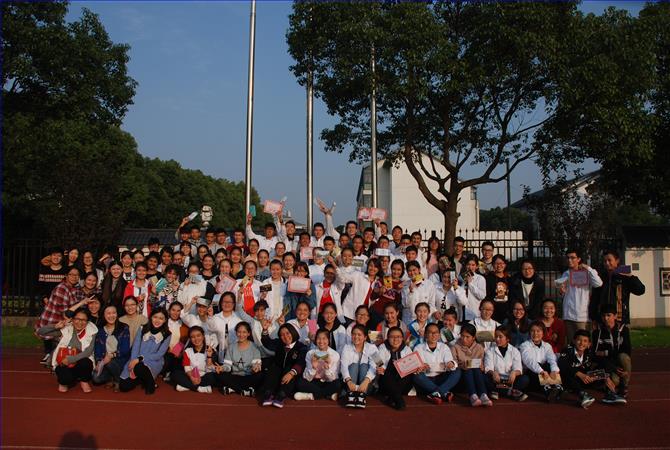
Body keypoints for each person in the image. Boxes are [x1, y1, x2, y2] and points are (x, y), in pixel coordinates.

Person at [558, 329, 624, 408]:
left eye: (585, 341)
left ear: (589, 344)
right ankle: (582, 395)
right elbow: (562, 365)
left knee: (603, 368)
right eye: (579, 340)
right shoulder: (567, 350)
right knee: (566, 373)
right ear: (574, 341)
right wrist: (579, 374)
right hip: (571, 381)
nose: (582, 343)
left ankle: (610, 394)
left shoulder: (589, 352)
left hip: (586, 379)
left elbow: (603, 361)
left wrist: (606, 376)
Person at [37, 307, 97, 393]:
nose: (80, 322)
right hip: (63, 362)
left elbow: (88, 351)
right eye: (77, 319)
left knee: (86, 363)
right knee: (66, 380)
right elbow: (41, 332)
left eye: (84, 320)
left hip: (77, 362)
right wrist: (56, 326)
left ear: (87, 321)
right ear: (72, 319)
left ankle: (84, 380)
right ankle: (65, 380)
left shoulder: (91, 330)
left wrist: (70, 359)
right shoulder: (66, 329)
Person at [36, 266, 82, 366]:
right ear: (66, 276)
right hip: (52, 320)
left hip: (61, 321)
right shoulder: (62, 288)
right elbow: (65, 312)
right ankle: (51, 358)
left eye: (77, 275)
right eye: (71, 274)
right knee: (62, 342)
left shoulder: (74, 288)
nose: (74, 277)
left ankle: (53, 356)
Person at [119, 308, 171, 394]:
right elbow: (135, 346)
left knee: (139, 367)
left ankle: (150, 383)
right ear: (151, 317)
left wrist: (140, 359)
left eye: (161, 318)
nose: (157, 320)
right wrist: (134, 360)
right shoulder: (142, 328)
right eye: (155, 317)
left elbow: (159, 354)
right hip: (135, 359)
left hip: (153, 361)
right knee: (124, 386)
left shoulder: (167, 334)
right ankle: (144, 379)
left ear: (165, 320)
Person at [555, 248, 603, 341]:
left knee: (583, 343)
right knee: (571, 343)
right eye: (568, 258)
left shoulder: (587, 272)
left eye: (572, 258)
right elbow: (564, 294)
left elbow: (598, 283)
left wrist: (588, 268)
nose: (569, 260)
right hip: (568, 316)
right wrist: (561, 292)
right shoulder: (566, 273)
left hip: (582, 316)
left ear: (579, 259)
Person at [591, 249, 645, 327]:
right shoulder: (600, 278)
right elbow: (594, 299)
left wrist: (631, 277)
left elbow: (641, 290)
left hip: (620, 319)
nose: (607, 263)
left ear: (617, 261)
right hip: (602, 319)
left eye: (609, 260)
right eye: (605, 261)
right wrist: (593, 317)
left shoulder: (624, 277)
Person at [260, 323, 308, 408]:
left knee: (290, 369)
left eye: (288, 333)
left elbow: (301, 362)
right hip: (278, 372)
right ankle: (269, 393)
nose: (285, 336)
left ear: (293, 332)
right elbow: (267, 342)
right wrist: (265, 330)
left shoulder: (301, 347)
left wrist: (291, 373)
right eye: (282, 335)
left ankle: (281, 395)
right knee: (274, 367)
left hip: (291, 374)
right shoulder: (279, 343)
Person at [412, 323, 460, 404]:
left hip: (441, 378)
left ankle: (436, 393)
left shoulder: (444, 347)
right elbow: (417, 366)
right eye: (430, 332)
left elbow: (449, 361)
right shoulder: (418, 348)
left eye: (436, 332)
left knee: (457, 371)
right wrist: (422, 366)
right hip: (426, 380)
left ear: (439, 335)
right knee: (416, 375)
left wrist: (450, 363)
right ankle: (444, 392)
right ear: (425, 335)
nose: (433, 335)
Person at [592, 304, 632, 401]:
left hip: (618, 361)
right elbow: (595, 355)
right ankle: (608, 385)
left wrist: (606, 352)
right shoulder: (597, 332)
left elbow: (627, 350)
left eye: (609, 315)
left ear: (615, 316)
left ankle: (624, 387)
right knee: (614, 380)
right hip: (606, 365)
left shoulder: (623, 330)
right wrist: (613, 368)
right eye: (603, 316)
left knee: (624, 357)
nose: (606, 318)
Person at [520, 321, 563, 402]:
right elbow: (529, 361)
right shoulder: (524, 345)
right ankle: (548, 391)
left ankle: (557, 388)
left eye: (538, 331)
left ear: (543, 333)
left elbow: (552, 359)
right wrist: (541, 371)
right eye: (532, 331)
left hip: (544, 374)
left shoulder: (547, 346)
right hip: (531, 374)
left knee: (549, 365)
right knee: (539, 365)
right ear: (529, 333)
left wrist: (554, 371)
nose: (535, 333)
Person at [294, 329, 341, 401]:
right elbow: (307, 378)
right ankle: (327, 394)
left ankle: (310, 396)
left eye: (324, 338)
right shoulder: (310, 353)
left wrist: (327, 369)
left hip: (327, 382)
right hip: (313, 382)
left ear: (329, 340)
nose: (321, 341)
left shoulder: (335, 354)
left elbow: (333, 378)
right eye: (319, 338)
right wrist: (313, 367)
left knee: (338, 384)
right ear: (315, 340)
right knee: (299, 383)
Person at [484, 325, 529, 402]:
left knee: (525, 379)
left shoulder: (515, 351)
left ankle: (498, 391)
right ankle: (511, 392)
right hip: (496, 380)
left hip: (510, 380)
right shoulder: (490, 351)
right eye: (496, 336)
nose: (497, 339)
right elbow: (488, 367)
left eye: (500, 337)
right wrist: (493, 373)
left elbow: (518, 368)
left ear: (507, 339)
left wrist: (514, 373)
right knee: (483, 377)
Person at [218, 321, 264, 396]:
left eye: (244, 332)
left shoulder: (254, 347)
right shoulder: (231, 347)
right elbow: (227, 366)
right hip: (235, 376)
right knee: (221, 375)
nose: (241, 335)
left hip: (249, 376)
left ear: (249, 333)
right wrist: (222, 368)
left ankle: (233, 388)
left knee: (260, 375)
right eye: (239, 332)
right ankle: (246, 391)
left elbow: (257, 365)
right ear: (236, 333)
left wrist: (256, 368)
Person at [92, 305, 131, 390]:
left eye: (114, 313)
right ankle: (110, 377)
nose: (111, 315)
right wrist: (99, 361)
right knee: (95, 378)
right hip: (105, 360)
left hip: (120, 360)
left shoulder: (124, 327)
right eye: (108, 313)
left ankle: (117, 380)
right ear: (104, 315)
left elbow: (125, 349)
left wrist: (112, 355)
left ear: (117, 314)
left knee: (110, 363)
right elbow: (97, 349)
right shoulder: (100, 330)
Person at [451, 323, 490, 407]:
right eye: (462, 336)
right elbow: (454, 363)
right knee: (468, 369)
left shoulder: (479, 348)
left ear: (473, 337)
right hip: (462, 375)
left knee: (476, 369)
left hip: (477, 375)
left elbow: (482, 363)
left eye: (467, 337)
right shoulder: (455, 347)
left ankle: (483, 395)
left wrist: (480, 365)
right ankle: (473, 396)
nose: (464, 339)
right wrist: (463, 365)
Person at [340, 324, 378, 408]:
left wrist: (366, 381)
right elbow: (343, 366)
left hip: (365, 384)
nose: (356, 337)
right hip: (350, 383)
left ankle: (361, 395)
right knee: (354, 365)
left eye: (359, 335)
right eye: (354, 334)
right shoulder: (346, 347)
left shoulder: (373, 347)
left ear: (365, 337)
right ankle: (351, 394)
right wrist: (349, 381)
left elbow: (377, 365)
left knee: (364, 365)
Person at [376, 326, 413, 410]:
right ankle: (399, 400)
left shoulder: (407, 349)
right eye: (392, 337)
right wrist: (381, 368)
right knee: (386, 372)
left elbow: (411, 365)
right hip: (386, 381)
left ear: (402, 338)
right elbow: (378, 363)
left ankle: (392, 398)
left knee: (407, 372)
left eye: (398, 337)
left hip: (402, 383)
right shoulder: (382, 347)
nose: (395, 339)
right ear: (387, 338)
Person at [173, 326, 219, 393]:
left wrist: (209, 356)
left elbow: (209, 369)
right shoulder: (187, 351)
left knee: (213, 377)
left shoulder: (210, 350)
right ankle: (199, 388)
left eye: (198, 336)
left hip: (204, 375)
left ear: (203, 336)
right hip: (191, 375)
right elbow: (187, 368)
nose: (196, 339)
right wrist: (191, 377)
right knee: (175, 374)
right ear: (190, 339)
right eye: (193, 337)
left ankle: (186, 386)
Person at [336, 258, 382, 325]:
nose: (372, 268)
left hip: (363, 316)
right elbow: (343, 278)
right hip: (349, 313)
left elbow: (373, 300)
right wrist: (334, 265)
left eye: (375, 267)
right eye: (371, 265)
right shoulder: (358, 275)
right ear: (367, 266)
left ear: (379, 269)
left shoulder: (379, 282)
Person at [485, 254, 512, 323]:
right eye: (496, 263)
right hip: (493, 312)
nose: (499, 265)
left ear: (505, 264)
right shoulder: (488, 279)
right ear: (493, 265)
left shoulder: (509, 279)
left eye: (501, 263)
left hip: (507, 313)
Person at [461, 255, 487, 322]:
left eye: (473, 265)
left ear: (477, 266)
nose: (470, 267)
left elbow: (482, 296)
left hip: (473, 312)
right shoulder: (461, 278)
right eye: (468, 264)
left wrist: (470, 284)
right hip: (461, 311)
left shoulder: (480, 278)